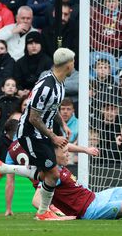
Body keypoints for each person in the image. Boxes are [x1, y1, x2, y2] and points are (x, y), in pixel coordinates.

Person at [15, 47, 75, 220]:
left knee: (47, 172)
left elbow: (52, 107)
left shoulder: (59, 83)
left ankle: (2, 168)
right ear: (68, 65)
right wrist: (53, 136)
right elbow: (34, 117)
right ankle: (43, 212)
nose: (74, 65)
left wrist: (63, 124)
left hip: (42, 134)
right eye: (73, 62)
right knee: (53, 173)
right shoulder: (46, 86)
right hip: (30, 134)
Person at [13, 31, 52, 98]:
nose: (34, 46)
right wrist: (19, 91)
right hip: (22, 96)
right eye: (30, 43)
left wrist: (32, 91)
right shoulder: (19, 63)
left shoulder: (48, 61)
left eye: (37, 43)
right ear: (26, 45)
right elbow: (16, 81)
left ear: (41, 44)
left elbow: (49, 82)